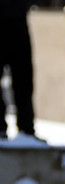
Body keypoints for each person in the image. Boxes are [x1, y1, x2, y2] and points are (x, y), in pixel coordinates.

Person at [0, 0, 36, 141]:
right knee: (24, 79)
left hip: (18, 20)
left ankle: (26, 129)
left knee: (24, 80)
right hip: (13, 17)